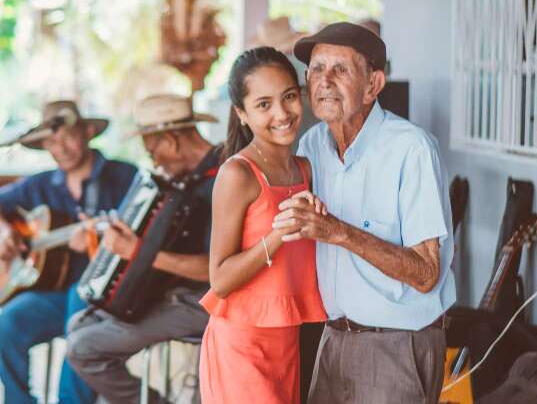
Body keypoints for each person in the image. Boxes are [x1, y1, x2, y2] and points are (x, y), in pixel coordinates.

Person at [272, 22, 456, 404]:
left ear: (373, 85)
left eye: (340, 70)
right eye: (316, 70)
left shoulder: (411, 149)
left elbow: (425, 273)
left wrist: (337, 231)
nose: (324, 82)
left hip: (395, 346)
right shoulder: (312, 145)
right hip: (332, 339)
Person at [66, 93, 221, 404]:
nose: (154, 161)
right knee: (78, 322)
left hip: (205, 303)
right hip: (175, 294)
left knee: (83, 347)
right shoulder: (185, 181)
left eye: (153, 150)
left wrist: (137, 252)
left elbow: (215, 270)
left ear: (172, 140)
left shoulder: (224, 177)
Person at [199, 46, 326, 404]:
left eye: (288, 97)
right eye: (263, 104)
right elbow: (220, 279)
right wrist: (278, 234)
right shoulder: (237, 174)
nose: (282, 114)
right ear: (241, 113)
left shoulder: (305, 170)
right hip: (241, 345)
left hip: (286, 342)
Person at [0, 100, 137, 404]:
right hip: (52, 296)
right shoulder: (40, 184)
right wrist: (6, 231)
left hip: (109, 298)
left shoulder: (124, 177)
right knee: (5, 323)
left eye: (67, 137)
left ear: (88, 131)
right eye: (51, 141)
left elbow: (146, 234)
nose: (60, 148)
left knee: (80, 311)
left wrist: (101, 244)